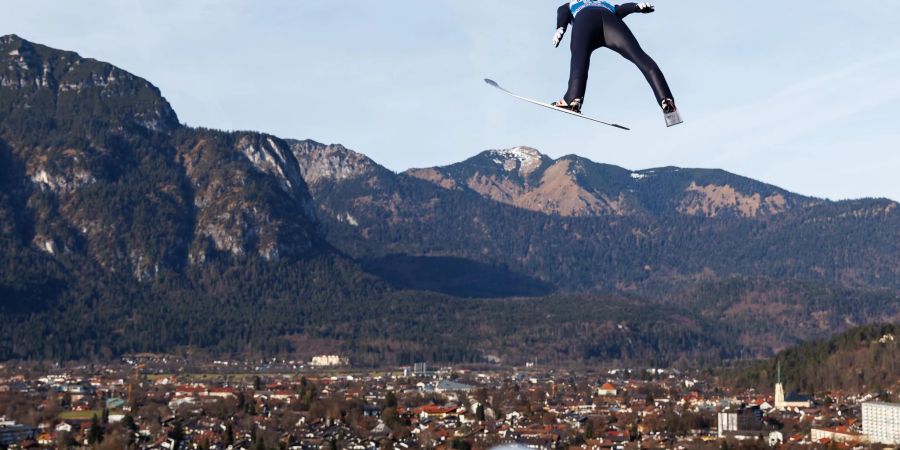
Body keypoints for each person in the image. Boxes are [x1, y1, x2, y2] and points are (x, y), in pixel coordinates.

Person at [551, 1, 682, 126]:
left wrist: (560, 28)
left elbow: (562, 11)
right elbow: (622, 8)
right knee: (640, 56)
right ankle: (666, 100)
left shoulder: (572, 4)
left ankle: (573, 99)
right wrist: (636, 7)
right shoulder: (606, 4)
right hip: (610, 21)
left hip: (585, 20)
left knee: (579, 60)